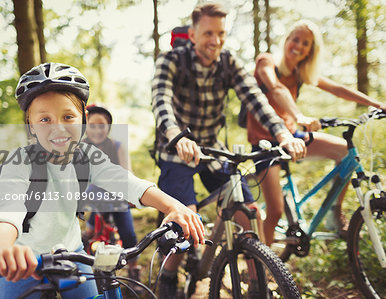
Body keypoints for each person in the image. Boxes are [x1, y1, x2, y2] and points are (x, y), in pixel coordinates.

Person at [0, 62, 205, 299]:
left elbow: (129, 183)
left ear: (83, 120)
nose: (58, 128)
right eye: (45, 120)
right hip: (22, 260)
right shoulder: (19, 163)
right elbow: (7, 212)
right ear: (31, 126)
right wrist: (1, 246)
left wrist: (173, 206)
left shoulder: (88, 157)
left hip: (71, 254)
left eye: (68, 117)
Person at [151, 3, 306, 297]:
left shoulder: (228, 61)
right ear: (193, 34)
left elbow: (256, 99)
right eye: (208, 33)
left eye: (221, 33)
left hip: (212, 151)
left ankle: (256, 283)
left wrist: (282, 133)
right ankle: (168, 278)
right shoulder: (171, 60)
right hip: (176, 150)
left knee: (250, 216)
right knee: (183, 222)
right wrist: (176, 136)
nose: (215, 40)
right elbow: (162, 103)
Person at [246, 19, 386, 245]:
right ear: (287, 40)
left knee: (345, 152)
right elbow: (276, 88)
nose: (299, 46)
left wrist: (377, 104)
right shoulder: (266, 62)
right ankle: (263, 270)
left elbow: (337, 89)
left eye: (305, 43)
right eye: (295, 39)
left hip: (294, 137)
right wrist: (298, 115)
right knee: (274, 212)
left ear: (310, 51)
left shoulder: (301, 72)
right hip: (265, 143)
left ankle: (334, 211)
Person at [81, 104, 143, 292]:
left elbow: (127, 173)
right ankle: (84, 267)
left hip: (117, 199)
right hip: (95, 199)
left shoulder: (117, 146)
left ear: (108, 127)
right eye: (92, 125)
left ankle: (133, 270)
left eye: (102, 125)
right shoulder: (81, 147)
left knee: (129, 234)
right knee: (88, 234)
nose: (97, 130)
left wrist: (131, 193)